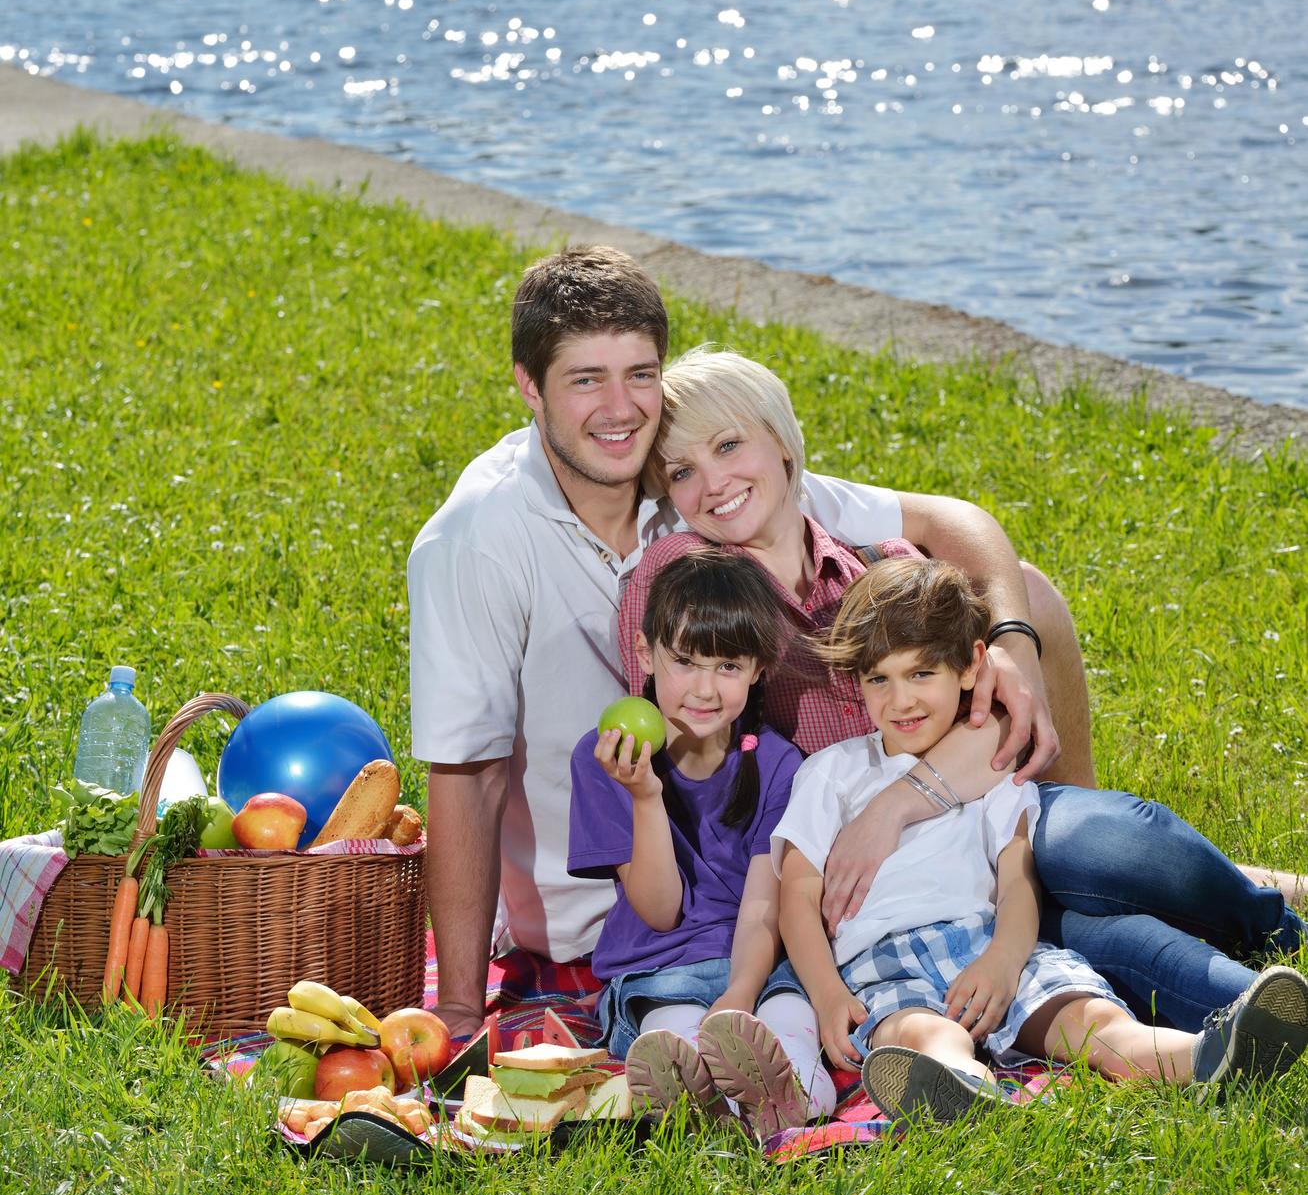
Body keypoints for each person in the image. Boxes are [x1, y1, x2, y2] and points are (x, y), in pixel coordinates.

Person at [408, 246, 1068, 1044]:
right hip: (630, 901)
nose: (620, 408)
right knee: (1088, 863)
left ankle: (1067, 856)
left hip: (803, 845)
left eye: (640, 374)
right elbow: (465, 772)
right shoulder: (480, 537)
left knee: (1027, 595)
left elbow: (950, 521)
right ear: (528, 386)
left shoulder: (690, 485)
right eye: (586, 379)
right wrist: (454, 1007)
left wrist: (1011, 649)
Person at [621, 345, 1306, 1031]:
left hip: (978, 817)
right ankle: (1253, 999)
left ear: (783, 443)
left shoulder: (878, 567)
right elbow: (689, 761)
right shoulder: (690, 589)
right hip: (871, 893)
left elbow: (991, 713)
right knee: (1088, 925)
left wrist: (896, 804)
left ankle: (1271, 927)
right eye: (682, 471)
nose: (711, 483)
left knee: (1095, 846)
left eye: (729, 445)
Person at [775, 553, 1308, 1123]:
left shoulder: (988, 766)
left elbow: (1017, 875)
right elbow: (798, 896)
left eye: (921, 674)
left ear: (971, 666)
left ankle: (1205, 1055)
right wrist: (829, 995)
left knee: (1092, 1022)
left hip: (982, 939)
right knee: (917, 1033)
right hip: (883, 961)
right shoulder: (833, 771)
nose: (900, 700)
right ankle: (962, 1087)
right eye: (878, 679)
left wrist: (1005, 959)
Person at [569, 549, 835, 1135]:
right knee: (678, 1026)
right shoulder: (606, 757)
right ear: (645, 654)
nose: (705, 689)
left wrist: (742, 989)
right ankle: (700, 1102)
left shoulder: (777, 764)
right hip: (661, 966)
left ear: (759, 669)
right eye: (685, 661)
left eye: (728, 667)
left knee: (789, 1015)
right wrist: (644, 795)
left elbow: (767, 901)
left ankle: (791, 1096)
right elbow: (660, 912)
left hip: (760, 961)